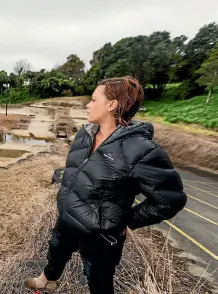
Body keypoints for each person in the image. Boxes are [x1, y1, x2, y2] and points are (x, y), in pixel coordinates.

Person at [25, 76, 187, 294]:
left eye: (93, 100)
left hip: (100, 234)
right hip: (68, 214)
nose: (87, 104)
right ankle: (47, 280)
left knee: (99, 280)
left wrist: (124, 220)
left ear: (112, 105)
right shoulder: (85, 133)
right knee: (56, 250)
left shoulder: (142, 150)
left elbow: (170, 199)